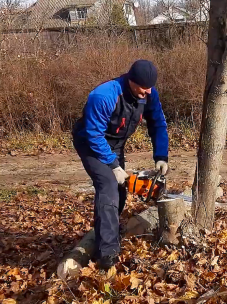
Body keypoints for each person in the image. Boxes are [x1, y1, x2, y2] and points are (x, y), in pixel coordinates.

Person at [72, 59, 169, 270]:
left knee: (120, 191)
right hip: (90, 142)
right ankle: (107, 255)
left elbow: (157, 122)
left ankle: (107, 233)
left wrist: (161, 156)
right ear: (131, 81)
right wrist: (114, 166)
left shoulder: (149, 93)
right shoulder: (104, 95)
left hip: (115, 144)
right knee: (108, 186)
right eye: (142, 90)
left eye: (149, 89)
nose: (146, 94)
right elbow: (94, 134)